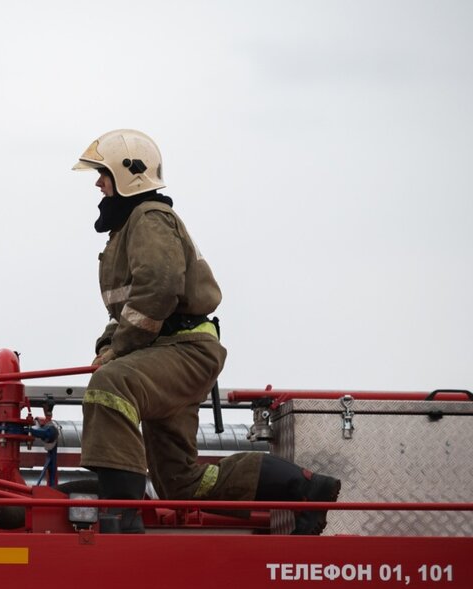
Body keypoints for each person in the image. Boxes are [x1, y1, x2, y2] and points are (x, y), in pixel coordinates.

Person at [71, 128, 341, 534]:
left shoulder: (149, 218)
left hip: (182, 352)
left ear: (128, 176)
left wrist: (119, 349)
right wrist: (109, 343)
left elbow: (159, 287)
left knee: (110, 387)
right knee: (180, 484)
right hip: (166, 353)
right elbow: (131, 308)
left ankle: (121, 519)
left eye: (102, 175)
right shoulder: (128, 232)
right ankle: (304, 488)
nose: (97, 184)